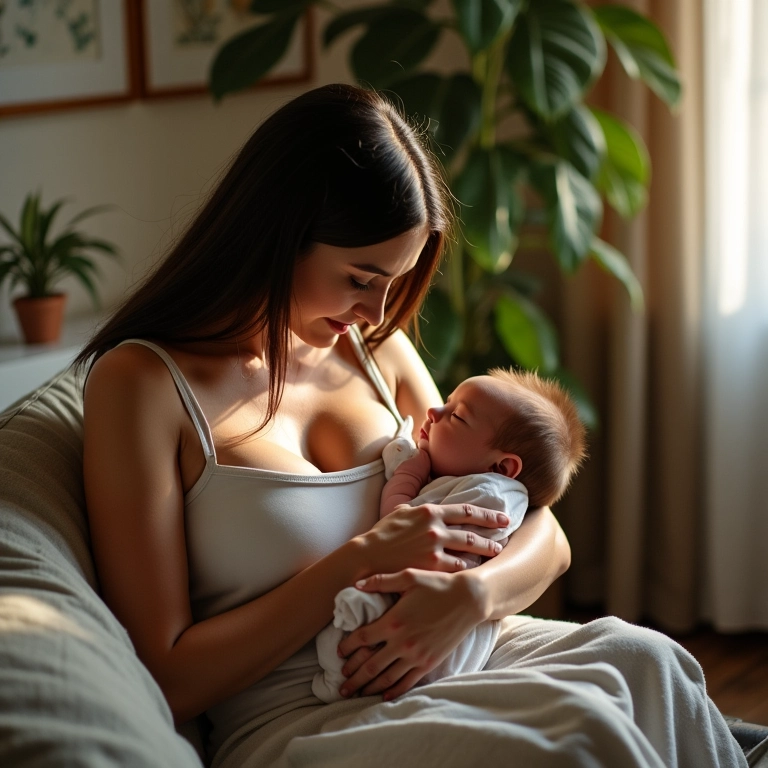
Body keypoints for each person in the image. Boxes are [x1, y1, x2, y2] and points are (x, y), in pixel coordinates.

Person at [76, 83, 746, 768]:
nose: (376, 310)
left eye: (394, 283)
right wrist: (363, 557)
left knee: (649, 659)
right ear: (277, 233)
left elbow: (543, 531)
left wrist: (469, 597)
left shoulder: (375, 352)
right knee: (580, 737)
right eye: (360, 278)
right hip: (304, 708)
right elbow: (165, 675)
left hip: (449, 650)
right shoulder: (143, 386)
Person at [313, 367, 587, 702]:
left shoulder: (483, 494)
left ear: (501, 468)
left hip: (429, 626)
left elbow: (400, 526)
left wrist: (406, 477)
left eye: (455, 416)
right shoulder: (493, 489)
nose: (433, 411)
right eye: (446, 401)